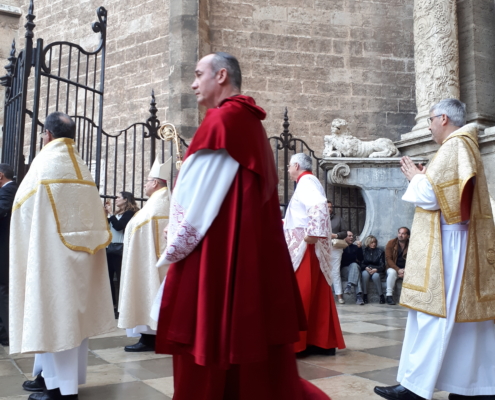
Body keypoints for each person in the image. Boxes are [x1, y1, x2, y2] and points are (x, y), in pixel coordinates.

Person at [154, 52, 330, 400]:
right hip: (244, 257)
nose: (192, 83)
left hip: (217, 258)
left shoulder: (221, 122)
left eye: (198, 74)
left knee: (208, 343)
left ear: (221, 76)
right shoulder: (250, 125)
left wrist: (172, 242)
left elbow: (195, 202)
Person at [374, 99, 495, 400]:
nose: (428, 126)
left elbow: (432, 197)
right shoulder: (463, 144)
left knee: (434, 316)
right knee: (465, 321)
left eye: (430, 120)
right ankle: (474, 386)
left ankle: (415, 387)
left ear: (443, 118)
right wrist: (425, 177)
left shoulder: (455, 146)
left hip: (449, 245)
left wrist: (416, 177)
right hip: (456, 240)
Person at [10, 112, 115, 400]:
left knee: (55, 318)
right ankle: (47, 376)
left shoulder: (45, 163)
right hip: (77, 260)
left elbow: (24, 207)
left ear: (47, 135)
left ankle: (61, 390)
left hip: (52, 258)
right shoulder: (79, 167)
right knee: (67, 322)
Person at [284, 153, 346, 356]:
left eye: (288, 165)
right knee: (316, 292)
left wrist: (313, 234)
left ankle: (299, 344)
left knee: (302, 292)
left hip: (306, 247)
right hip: (309, 246)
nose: (287, 168)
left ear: (296, 165)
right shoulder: (308, 181)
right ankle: (319, 341)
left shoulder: (306, 182)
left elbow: (319, 206)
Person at [117, 158, 171, 352]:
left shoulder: (158, 204)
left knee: (151, 293)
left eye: (147, 181)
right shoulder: (161, 201)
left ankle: (150, 339)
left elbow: (141, 226)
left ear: (155, 183)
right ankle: (150, 337)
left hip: (152, 261)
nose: (145, 185)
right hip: (156, 259)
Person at [105, 191, 139, 318]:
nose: (116, 199)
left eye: (118, 197)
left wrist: (110, 214)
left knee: (120, 279)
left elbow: (119, 226)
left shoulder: (130, 213)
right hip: (110, 249)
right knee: (108, 279)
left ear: (125, 199)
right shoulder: (118, 213)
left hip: (120, 250)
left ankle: (121, 308)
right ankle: (111, 306)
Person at [0, 163, 17, 347]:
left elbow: (2, 209)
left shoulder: (9, 189)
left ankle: (7, 334)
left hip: (5, 248)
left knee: (3, 290)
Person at [328, 201, 347, 304]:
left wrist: (335, 235)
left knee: (335, 271)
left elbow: (345, 232)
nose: (329, 209)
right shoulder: (319, 218)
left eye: (331, 207)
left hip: (336, 247)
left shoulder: (338, 218)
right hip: (322, 247)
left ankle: (339, 295)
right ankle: (327, 295)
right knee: (323, 271)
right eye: (327, 207)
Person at [385, 227, 410, 305]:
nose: (400, 235)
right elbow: (388, 259)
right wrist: (398, 269)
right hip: (393, 267)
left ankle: (410, 298)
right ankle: (389, 295)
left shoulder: (412, 244)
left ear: (408, 236)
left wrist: (406, 270)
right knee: (392, 273)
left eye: (403, 233)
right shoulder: (391, 243)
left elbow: (414, 259)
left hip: (406, 268)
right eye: (399, 233)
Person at [340, 231, 364, 305]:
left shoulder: (355, 247)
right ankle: (359, 296)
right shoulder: (341, 247)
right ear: (345, 237)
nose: (351, 237)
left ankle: (349, 285)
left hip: (354, 268)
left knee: (354, 266)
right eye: (349, 236)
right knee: (356, 271)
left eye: (352, 236)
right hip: (345, 270)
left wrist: (360, 248)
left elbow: (360, 259)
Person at [361, 235, 386, 304]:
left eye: (375, 242)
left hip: (377, 270)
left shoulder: (380, 251)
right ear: (368, 243)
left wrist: (376, 269)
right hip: (367, 269)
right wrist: (366, 267)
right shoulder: (364, 251)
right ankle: (365, 295)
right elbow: (361, 263)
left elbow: (382, 265)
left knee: (376, 276)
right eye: (371, 242)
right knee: (364, 274)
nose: (374, 244)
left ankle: (381, 295)